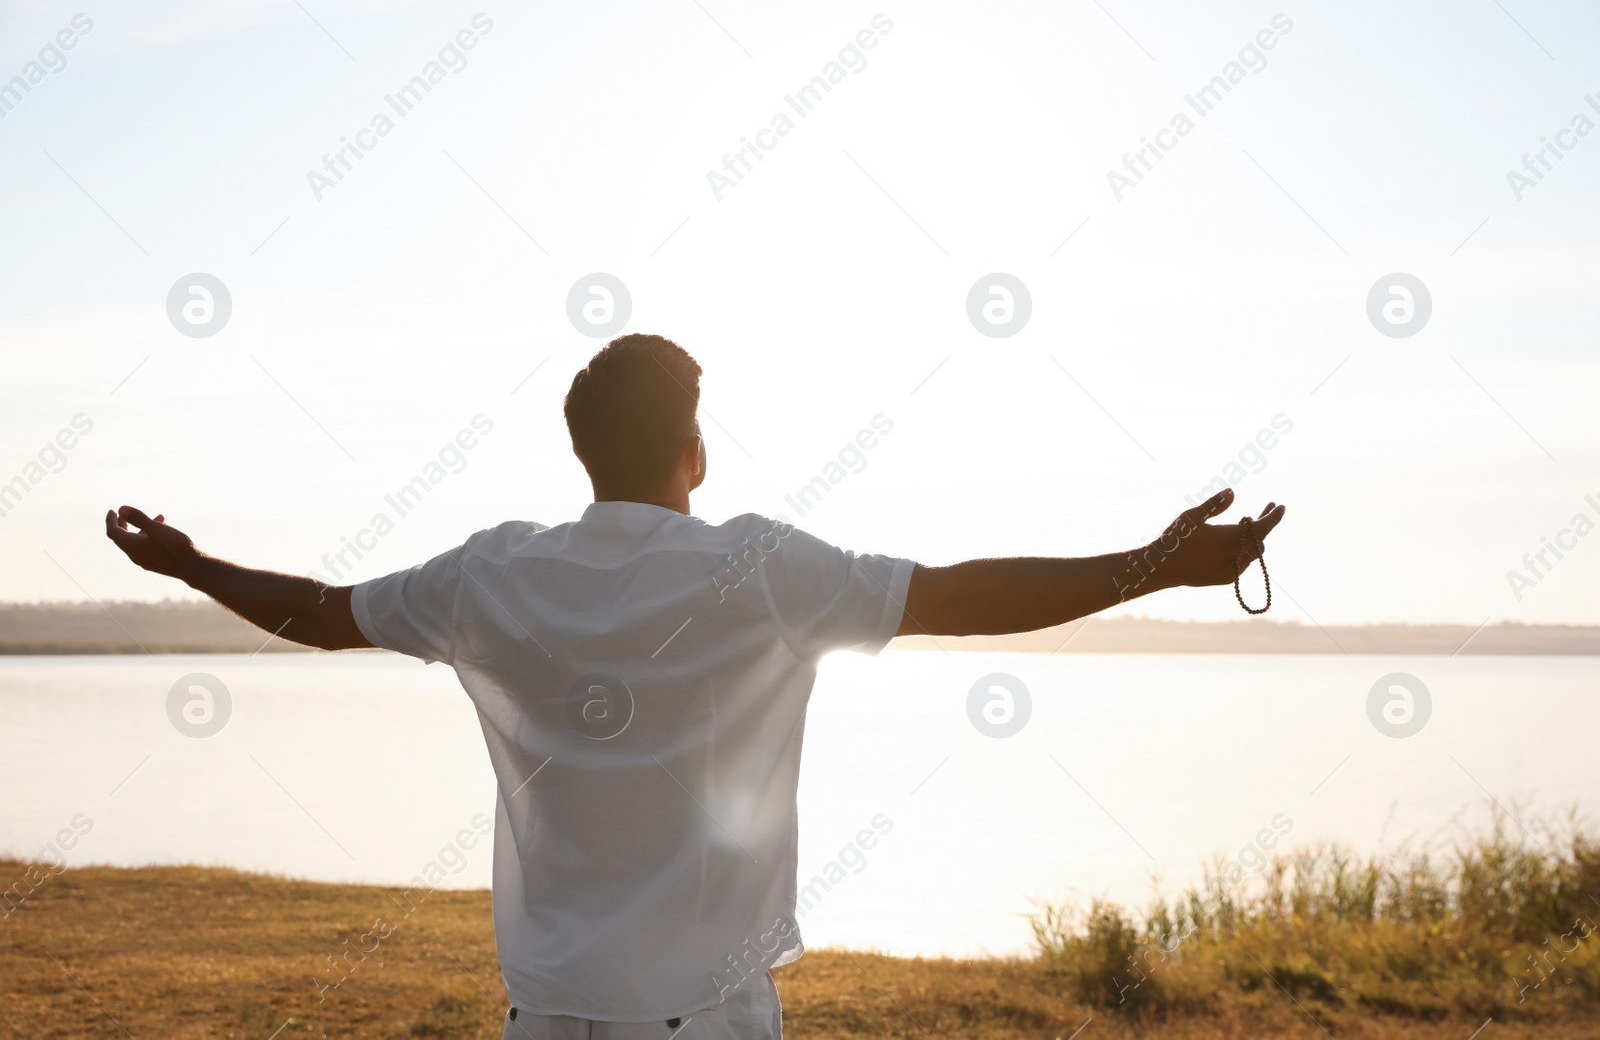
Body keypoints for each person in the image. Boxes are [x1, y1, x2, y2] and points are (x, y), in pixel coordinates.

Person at [105, 333, 1284, 1039]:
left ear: (582, 452)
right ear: (695, 452)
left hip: (547, 1013)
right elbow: (964, 594)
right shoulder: (759, 567)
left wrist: (189, 561)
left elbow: (320, 613)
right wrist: (1155, 566)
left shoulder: (490, 574)